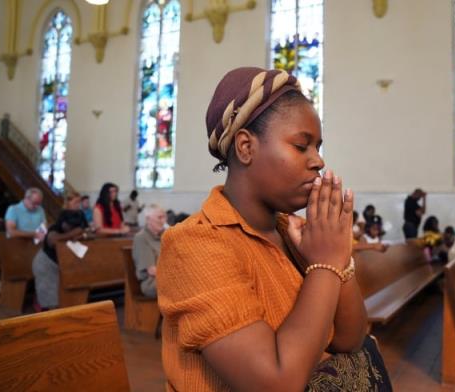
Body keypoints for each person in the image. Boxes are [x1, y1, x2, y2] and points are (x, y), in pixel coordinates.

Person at [157, 67, 390, 391]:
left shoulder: (294, 234)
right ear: (246, 147)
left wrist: (337, 260)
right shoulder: (194, 244)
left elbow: (351, 340)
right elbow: (276, 382)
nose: (318, 161)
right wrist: (325, 264)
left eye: (318, 148)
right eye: (301, 146)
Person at [32, 210, 88, 310]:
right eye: (71, 226)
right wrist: (72, 234)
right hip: (46, 264)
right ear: (64, 223)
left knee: (60, 298)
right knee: (51, 301)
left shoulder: (70, 228)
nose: (72, 228)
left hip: (59, 265)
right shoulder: (54, 228)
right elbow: (52, 240)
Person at [132, 204, 166, 298]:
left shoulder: (165, 235)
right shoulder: (141, 238)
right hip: (152, 283)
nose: (163, 221)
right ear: (148, 219)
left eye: (164, 217)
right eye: (160, 217)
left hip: (167, 279)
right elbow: (151, 270)